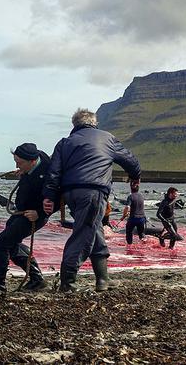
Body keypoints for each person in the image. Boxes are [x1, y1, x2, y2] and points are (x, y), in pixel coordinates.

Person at [43, 108, 141, 292]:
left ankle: (103, 280)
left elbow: (53, 173)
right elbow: (131, 161)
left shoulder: (64, 142)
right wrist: (135, 176)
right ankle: (67, 283)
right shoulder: (107, 138)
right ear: (94, 123)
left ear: (75, 125)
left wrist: (49, 196)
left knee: (95, 231)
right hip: (93, 191)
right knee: (83, 234)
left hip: (70, 194)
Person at [0, 143, 50, 293]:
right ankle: (37, 278)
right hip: (21, 211)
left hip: (33, 216)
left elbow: (60, 197)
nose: (17, 165)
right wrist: (24, 171)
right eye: (16, 161)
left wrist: (40, 214)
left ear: (32, 161)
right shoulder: (36, 158)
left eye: (20, 163)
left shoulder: (48, 173)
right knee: (10, 243)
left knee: (1, 244)